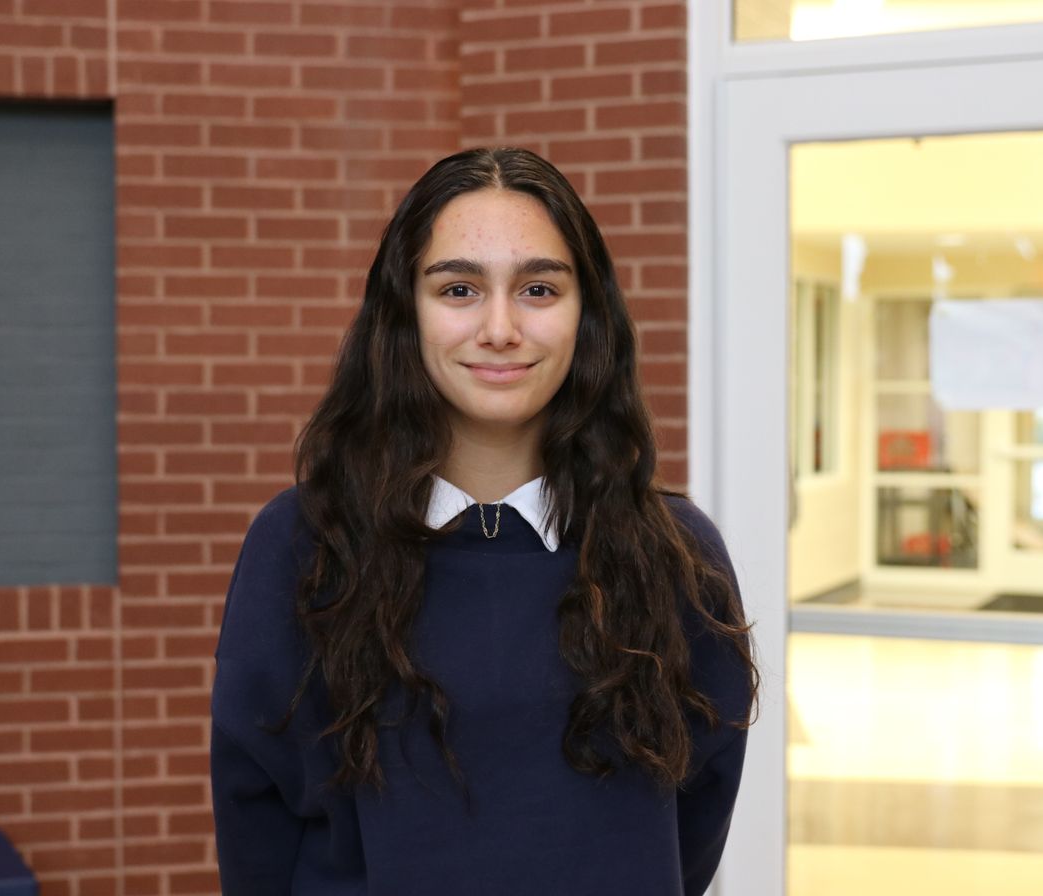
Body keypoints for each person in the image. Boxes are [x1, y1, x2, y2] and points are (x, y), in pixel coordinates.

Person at [210, 147, 758, 896]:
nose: (500, 328)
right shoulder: (304, 545)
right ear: (405, 310)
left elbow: (694, 823)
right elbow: (258, 828)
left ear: (586, 313)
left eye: (538, 288)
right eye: (460, 288)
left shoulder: (678, 555)